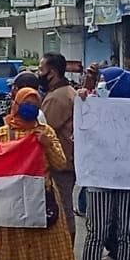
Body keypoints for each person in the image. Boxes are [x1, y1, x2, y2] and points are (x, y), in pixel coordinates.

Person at [0, 88, 76, 260]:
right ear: (16, 105)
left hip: (43, 195)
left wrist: (47, 145)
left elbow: (60, 163)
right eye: (26, 103)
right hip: (14, 198)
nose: (31, 108)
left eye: (34, 104)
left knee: (52, 245)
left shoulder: (45, 132)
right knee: (17, 244)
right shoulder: (2, 133)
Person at [77, 68, 130, 260]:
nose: (101, 85)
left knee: (127, 234)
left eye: (105, 81)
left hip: (129, 178)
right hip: (101, 177)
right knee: (96, 233)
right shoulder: (92, 104)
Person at [38, 53, 80, 241]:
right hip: (67, 159)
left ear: (52, 72)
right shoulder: (67, 91)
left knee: (63, 207)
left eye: (41, 70)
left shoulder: (57, 97)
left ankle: (66, 251)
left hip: (61, 161)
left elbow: (45, 127)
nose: (39, 73)